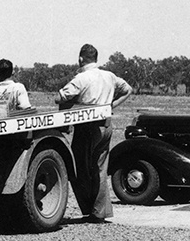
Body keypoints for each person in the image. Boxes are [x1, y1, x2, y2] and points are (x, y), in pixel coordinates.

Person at [57, 44, 133, 222]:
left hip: (86, 126)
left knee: (80, 168)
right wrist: (111, 105)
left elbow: (59, 97)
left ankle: (88, 207)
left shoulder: (81, 78)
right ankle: (99, 211)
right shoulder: (109, 76)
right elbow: (128, 89)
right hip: (106, 125)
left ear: (81, 58)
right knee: (100, 168)